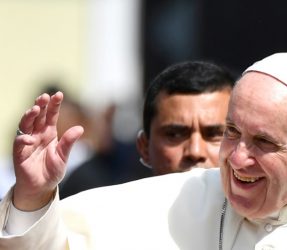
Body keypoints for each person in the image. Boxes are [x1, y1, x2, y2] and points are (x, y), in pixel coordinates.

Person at [1, 52, 287, 250]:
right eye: (232, 132)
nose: (238, 158)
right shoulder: (161, 201)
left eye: (264, 142)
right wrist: (33, 196)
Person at [59, 61, 236, 198]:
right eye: (174, 135)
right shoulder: (105, 223)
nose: (195, 151)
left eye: (214, 134)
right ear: (144, 147)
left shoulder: (260, 232)